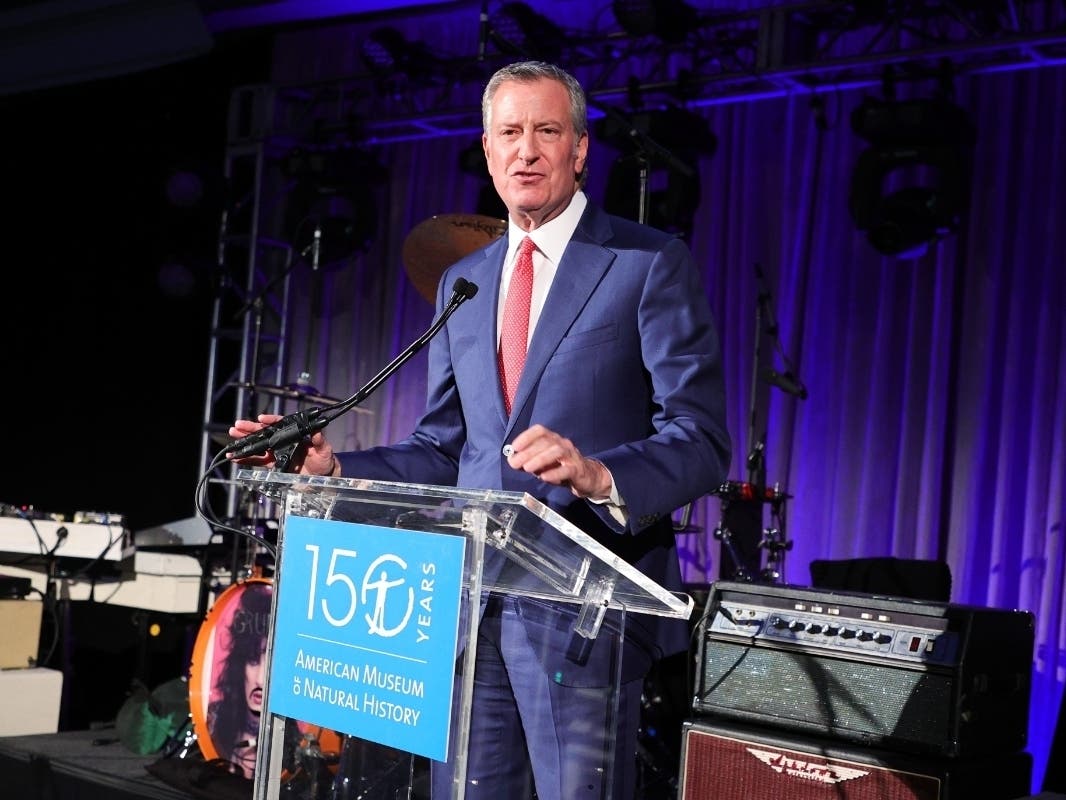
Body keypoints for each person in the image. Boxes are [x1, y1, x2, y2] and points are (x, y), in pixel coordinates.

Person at [230, 60, 730, 800]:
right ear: (489, 151)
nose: (526, 150)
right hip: (469, 607)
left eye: (546, 131)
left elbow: (701, 436)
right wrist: (335, 471)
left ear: (580, 149)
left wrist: (599, 473)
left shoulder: (645, 263)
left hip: (585, 617)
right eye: (509, 133)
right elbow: (442, 449)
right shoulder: (465, 283)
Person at [206, 581, 271, 779]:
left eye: (271, 666)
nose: (260, 679)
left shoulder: (295, 745)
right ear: (239, 664)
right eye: (252, 660)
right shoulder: (215, 722)